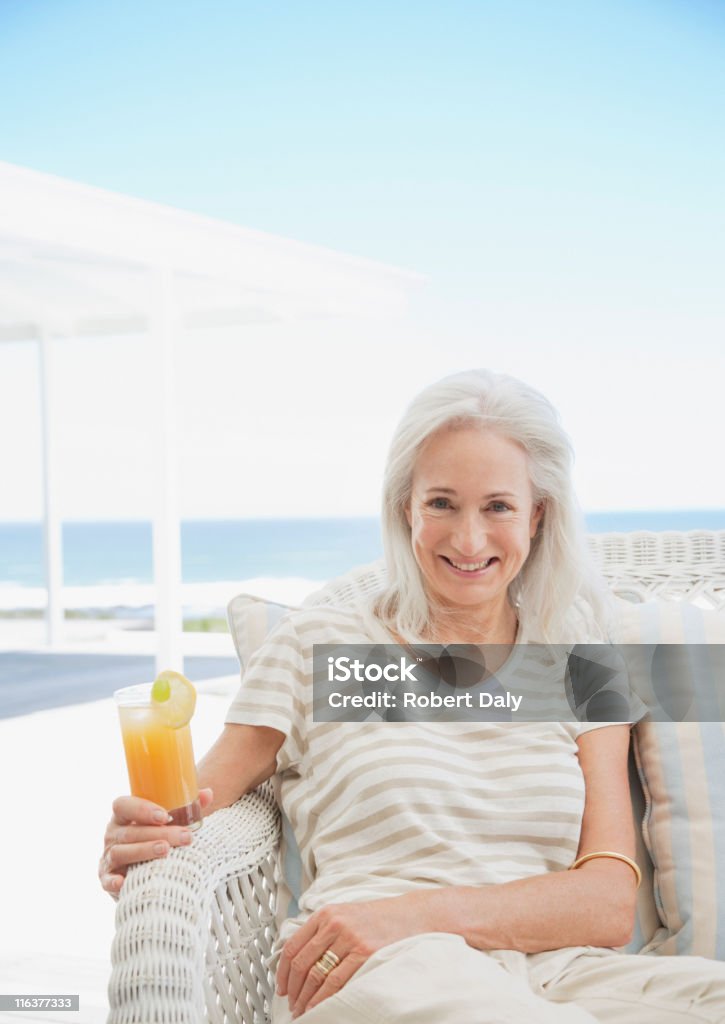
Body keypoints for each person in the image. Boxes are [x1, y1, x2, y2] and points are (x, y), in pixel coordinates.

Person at [100, 370, 725, 1023]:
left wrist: (413, 913)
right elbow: (188, 811)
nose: (468, 539)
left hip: (561, 972)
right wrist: (140, 833)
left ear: (537, 515)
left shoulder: (580, 661)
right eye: (441, 503)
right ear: (405, 507)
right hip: (386, 975)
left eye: (498, 507)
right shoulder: (323, 645)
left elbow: (603, 905)